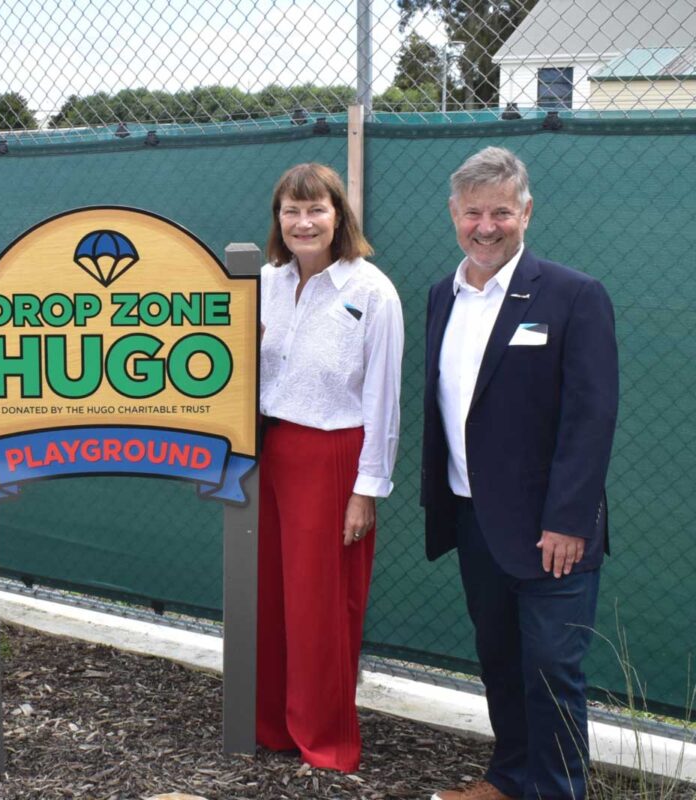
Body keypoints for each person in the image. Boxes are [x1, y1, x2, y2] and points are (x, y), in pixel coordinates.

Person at [422, 147, 618, 800]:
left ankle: (557, 791)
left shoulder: (573, 296)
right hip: (474, 518)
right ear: (454, 215)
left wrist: (568, 521)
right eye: (473, 212)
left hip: (550, 532)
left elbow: (590, 420)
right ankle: (507, 780)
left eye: (501, 211)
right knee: (501, 662)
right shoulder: (439, 297)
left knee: (553, 672)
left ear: (526, 212)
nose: (486, 225)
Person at [255, 163, 404, 772]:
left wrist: (365, 489)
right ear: (278, 220)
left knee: (322, 604)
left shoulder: (371, 291)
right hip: (268, 449)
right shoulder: (261, 280)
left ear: (339, 216)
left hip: (333, 455)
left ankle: (325, 739)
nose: (303, 222)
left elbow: (383, 398)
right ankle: (272, 725)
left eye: (316, 209)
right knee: (269, 596)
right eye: (291, 210)